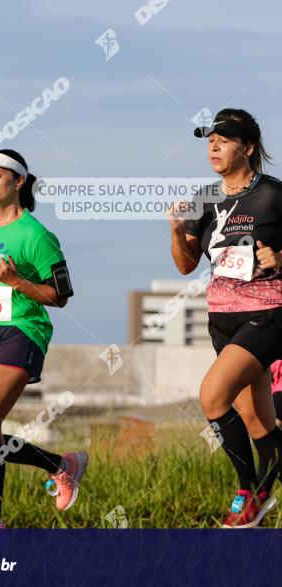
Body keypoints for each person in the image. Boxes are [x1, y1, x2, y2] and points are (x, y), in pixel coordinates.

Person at [0, 150, 85, 528]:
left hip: (22, 329)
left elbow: (59, 296)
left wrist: (16, 282)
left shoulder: (37, 235)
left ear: (19, 182)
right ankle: (62, 465)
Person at [170, 108, 282, 527]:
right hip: (222, 319)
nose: (213, 146)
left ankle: (246, 492)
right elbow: (185, 265)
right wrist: (177, 232)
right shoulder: (204, 198)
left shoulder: (273, 194)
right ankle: (263, 494)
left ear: (248, 147)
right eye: (209, 140)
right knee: (258, 422)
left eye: (224, 139)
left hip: (268, 313)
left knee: (212, 396)